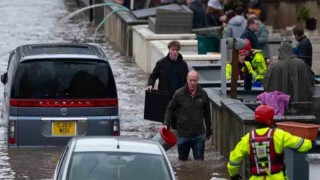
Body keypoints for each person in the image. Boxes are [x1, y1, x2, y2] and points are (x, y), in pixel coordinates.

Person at [227, 105, 313, 180]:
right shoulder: (279, 135)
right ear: (270, 120)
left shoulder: (247, 138)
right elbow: (302, 144)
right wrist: (311, 143)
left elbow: (234, 161)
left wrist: (233, 174)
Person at [164, 70, 212, 161]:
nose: (193, 83)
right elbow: (170, 109)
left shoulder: (203, 94)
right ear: (187, 80)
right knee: (182, 161)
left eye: (195, 80)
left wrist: (209, 130)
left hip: (199, 134)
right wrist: (166, 123)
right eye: (191, 80)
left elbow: (207, 114)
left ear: (198, 81)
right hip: (183, 134)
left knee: (199, 162)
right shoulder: (179, 94)